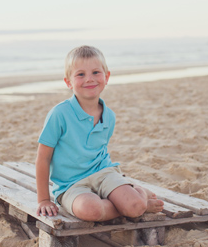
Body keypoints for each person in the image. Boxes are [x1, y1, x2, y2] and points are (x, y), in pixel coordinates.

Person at [35, 45, 164, 220]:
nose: (89, 79)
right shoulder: (59, 114)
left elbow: (100, 150)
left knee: (135, 206)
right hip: (71, 185)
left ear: (106, 76)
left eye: (96, 72)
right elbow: (43, 158)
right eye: (80, 74)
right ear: (68, 82)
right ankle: (130, 198)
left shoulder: (109, 116)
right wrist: (43, 199)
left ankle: (134, 198)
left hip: (105, 174)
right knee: (91, 210)